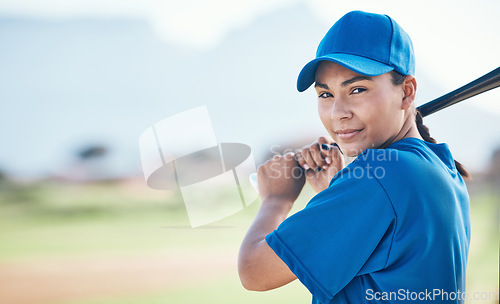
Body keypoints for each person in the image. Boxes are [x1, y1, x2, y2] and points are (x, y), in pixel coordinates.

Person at [238, 10, 471, 304]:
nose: (338, 112)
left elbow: (254, 271)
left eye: (357, 89)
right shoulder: (440, 164)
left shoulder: (379, 174)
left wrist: (276, 199)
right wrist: (335, 190)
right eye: (325, 95)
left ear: (407, 92)